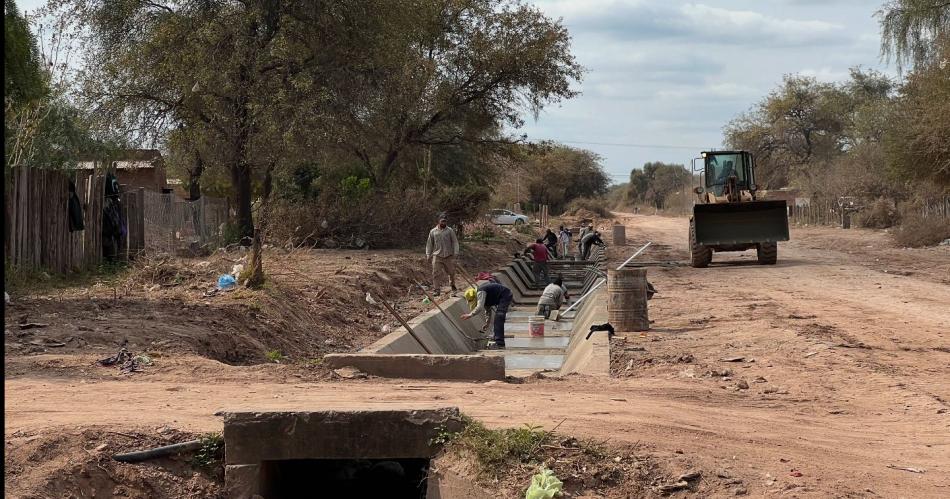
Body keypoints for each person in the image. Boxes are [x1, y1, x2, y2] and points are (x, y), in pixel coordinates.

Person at [461, 282, 513, 349]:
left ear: (474, 297)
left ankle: (499, 343)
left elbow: (480, 307)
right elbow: (488, 310)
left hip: (505, 295)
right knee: (498, 318)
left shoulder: (480, 292)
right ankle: (497, 339)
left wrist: (470, 315)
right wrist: (487, 323)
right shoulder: (484, 297)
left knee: (499, 318)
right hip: (504, 296)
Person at [425, 214, 460, 294]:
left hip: (448, 256)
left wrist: (456, 253)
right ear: (439, 221)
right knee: (435, 273)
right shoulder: (433, 231)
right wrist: (428, 254)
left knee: (451, 272)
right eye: (442, 221)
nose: (444, 223)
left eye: (445, 221)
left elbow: (455, 242)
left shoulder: (450, 230)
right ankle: (436, 289)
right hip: (437, 255)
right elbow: (429, 244)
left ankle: (452, 285)